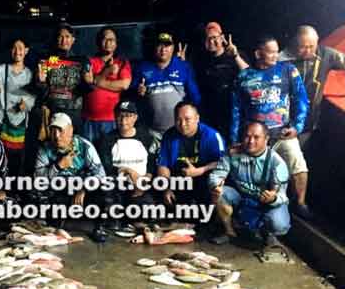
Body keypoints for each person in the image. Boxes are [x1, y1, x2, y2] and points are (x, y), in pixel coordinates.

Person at [231, 35, 312, 219]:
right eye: (271, 52)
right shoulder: (244, 77)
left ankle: (300, 203)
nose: (276, 56)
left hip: (282, 132)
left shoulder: (287, 70)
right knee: (252, 174)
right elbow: (235, 111)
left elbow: (301, 99)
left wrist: (297, 127)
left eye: (277, 51)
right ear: (259, 53)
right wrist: (235, 139)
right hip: (255, 138)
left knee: (298, 164)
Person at [279, 25, 345, 151]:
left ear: (317, 42)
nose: (307, 51)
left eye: (311, 46)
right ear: (294, 42)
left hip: (306, 124)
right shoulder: (280, 59)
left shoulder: (325, 54)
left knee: (298, 157)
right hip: (281, 122)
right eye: (302, 47)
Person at [209, 121, 290, 248]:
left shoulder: (277, 163)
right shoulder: (232, 153)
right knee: (221, 193)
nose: (251, 141)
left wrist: (272, 198)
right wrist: (215, 186)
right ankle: (230, 232)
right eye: (247, 136)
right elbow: (217, 174)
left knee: (279, 224)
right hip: (244, 198)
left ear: (266, 139)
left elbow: (282, 195)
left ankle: (269, 234)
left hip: (266, 203)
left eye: (256, 137)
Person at [33, 113, 108, 242]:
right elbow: (38, 178)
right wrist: (58, 166)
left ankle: (98, 227)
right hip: (58, 191)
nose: (56, 136)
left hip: (81, 190)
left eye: (61, 131)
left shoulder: (85, 146)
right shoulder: (45, 148)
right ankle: (52, 224)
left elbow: (101, 175)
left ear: (71, 130)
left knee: (105, 190)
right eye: (53, 131)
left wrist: (84, 188)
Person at [133, 31, 201, 151]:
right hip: (152, 132)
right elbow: (132, 97)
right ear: (154, 47)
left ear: (173, 47)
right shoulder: (142, 67)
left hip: (179, 130)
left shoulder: (183, 66)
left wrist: (192, 125)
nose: (163, 49)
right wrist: (138, 92)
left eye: (167, 45)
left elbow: (195, 98)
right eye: (159, 45)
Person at [97, 100, 154, 229]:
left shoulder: (146, 138)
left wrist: (144, 182)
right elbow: (105, 167)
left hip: (140, 187)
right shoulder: (107, 139)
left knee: (145, 213)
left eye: (128, 116)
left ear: (135, 118)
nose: (123, 121)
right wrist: (127, 171)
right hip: (117, 186)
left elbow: (152, 165)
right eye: (119, 116)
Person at [157, 101, 226, 208]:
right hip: (180, 179)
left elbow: (223, 163)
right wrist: (166, 188)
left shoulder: (212, 135)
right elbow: (163, 165)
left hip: (204, 178)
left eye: (187, 119)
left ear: (197, 118)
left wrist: (199, 171)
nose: (182, 124)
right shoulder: (169, 135)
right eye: (178, 120)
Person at [193, 22, 249, 142]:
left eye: (214, 37)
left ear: (222, 37)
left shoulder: (236, 55)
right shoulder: (200, 60)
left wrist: (235, 56)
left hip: (234, 111)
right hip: (211, 113)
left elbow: (250, 76)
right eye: (207, 38)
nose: (211, 41)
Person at [0, 38, 36, 178]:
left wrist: (26, 104)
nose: (18, 51)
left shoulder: (30, 74)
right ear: (11, 51)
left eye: (21, 48)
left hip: (20, 122)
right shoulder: (1, 69)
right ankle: (0, 188)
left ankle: (14, 189)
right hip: (2, 121)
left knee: (17, 159)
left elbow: (33, 97)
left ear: (26, 51)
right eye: (14, 48)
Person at [35, 23, 91, 136]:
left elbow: (86, 89)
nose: (63, 40)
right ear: (56, 39)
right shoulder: (47, 60)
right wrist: (40, 82)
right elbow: (41, 90)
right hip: (52, 110)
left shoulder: (82, 60)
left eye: (67, 36)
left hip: (74, 112)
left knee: (74, 145)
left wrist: (89, 83)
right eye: (60, 36)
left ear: (73, 39)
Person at [81, 27, 132, 145]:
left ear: (116, 43)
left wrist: (97, 81)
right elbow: (89, 84)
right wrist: (107, 71)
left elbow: (124, 85)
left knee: (109, 156)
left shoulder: (122, 62)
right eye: (104, 39)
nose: (108, 42)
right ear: (98, 42)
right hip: (89, 120)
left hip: (111, 120)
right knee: (88, 156)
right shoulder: (89, 61)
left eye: (111, 39)